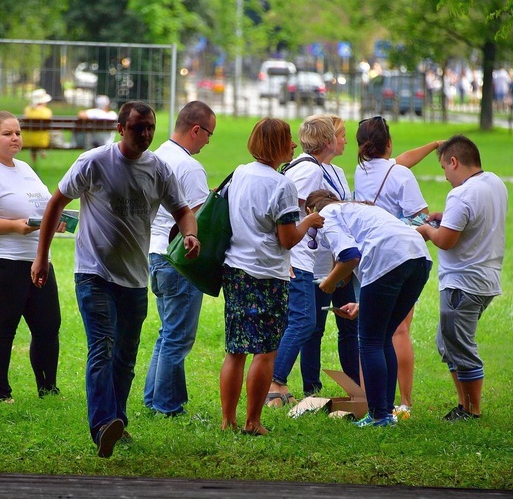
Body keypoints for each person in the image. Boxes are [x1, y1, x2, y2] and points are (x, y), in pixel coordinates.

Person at [31, 101, 201, 458]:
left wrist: (190, 234)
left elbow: (183, 210)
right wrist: (42, 256)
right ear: (121, 128)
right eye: (138, 127)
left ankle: (117, 423)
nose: (146, 134)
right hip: (94, 274)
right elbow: (56, 203)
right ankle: (102, 424)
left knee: (125, 357)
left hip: (135, 279)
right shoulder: (94, 162)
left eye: (150, 127)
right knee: (102, 347)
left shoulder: (158, 168)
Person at [220, 118, 323, 435]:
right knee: (265, 353)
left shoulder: (239, 173)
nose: (293, 145)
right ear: (276, 146)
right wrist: (310, 221)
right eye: (288, 139)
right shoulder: (283, 186)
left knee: (235, 350)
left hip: (235, 270)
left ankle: (228, 421)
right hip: (267, 275)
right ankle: (253, 422)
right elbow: (288, 238)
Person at [0, 110, 66, 404]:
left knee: (48, 325)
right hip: (0, 259)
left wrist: (54, 221)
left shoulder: (24, 169)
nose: (15, 138)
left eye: (18, 133)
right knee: (4, 324)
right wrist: (13, 226)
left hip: (36, 258)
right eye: (7, 134)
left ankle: (48, 390)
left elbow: (43, 207)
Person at [306, 189, 432, 427]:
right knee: (384, 336)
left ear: (311, 212)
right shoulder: (359, 210)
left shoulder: (328, 213)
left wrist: (329, 283)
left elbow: (350, 256)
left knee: (372, 340)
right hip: (419, 258)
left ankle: (378, 416)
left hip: (388, 259)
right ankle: (386, 411)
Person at [352, 115, 443, 419]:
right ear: (388, 143)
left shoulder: (361, 170)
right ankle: (402, 402)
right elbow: (421, 219)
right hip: (399, 259)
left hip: (367, 263)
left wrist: (431, 145)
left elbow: (398, 162)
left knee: (372, 334)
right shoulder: (401, 175)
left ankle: (374, 401)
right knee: (398, 330)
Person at [415, 135, 507, 420]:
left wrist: (427, 231)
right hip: (486, 279)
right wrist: (448, 216)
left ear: (454, 162)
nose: (445, 177)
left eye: (444, 168)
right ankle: (463, 405)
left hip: (463, 282)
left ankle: (472, 410)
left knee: (461, 346)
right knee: (447, 342)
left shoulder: (461, 194)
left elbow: (445, 241)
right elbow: (476, 221)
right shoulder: (494, 183)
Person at [144, 101, 216, 416]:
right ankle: (167, 406)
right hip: (179, 259)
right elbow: (198, 218)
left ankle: (154, 397)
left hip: (154, 253)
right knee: (178, 336)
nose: (209, 141)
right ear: (196, 130)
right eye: (208, 134)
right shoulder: (189, 167)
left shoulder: (156, 156)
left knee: (167, 332)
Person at [265, 115, 337, 408]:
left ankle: (289, 385)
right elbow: (291, 213)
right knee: (303, 321)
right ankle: (274, 383)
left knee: (305, 322)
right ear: (328, 141)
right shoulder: (309, 171)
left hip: (300, 256)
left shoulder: (306, 167)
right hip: (299, 258)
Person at [300, 114, 360, 395]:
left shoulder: (336, 171)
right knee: (314, 328)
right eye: (343, 134)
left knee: (350, 323)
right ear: (330, 138)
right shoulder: (311, 172)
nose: (346, 140)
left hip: (342, 260)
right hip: (319, 262)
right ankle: (311, 387)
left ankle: (355, 386)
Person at [22, 88, 53, 163]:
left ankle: (34, 161)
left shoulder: (28, 110)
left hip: (27, 140)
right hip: (42, 141)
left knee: (33, 136)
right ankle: (41, 149)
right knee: (41, 135)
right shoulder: (47, 111)